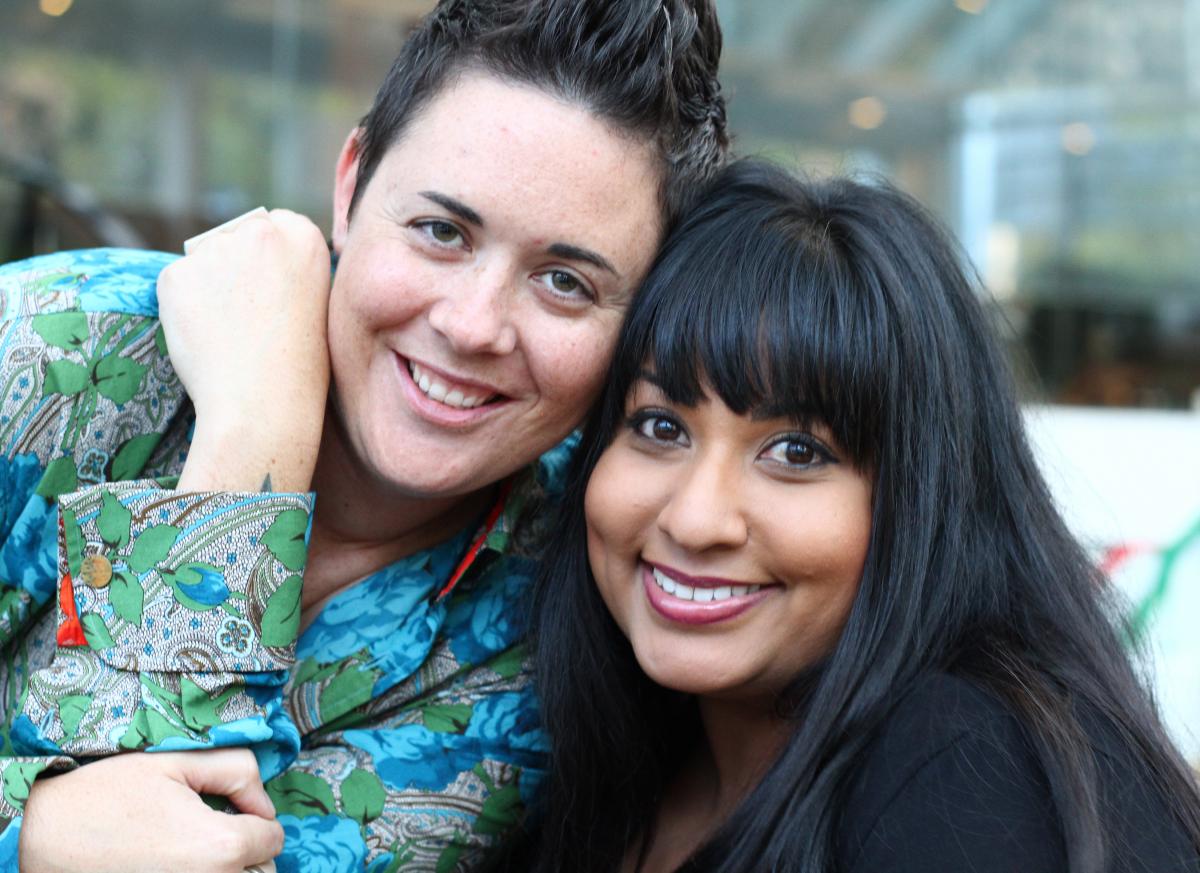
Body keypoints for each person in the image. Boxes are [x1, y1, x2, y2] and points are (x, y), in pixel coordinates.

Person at [0, 1, 729, 870]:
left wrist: (246, 449)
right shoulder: (56, 352)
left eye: (566, 282)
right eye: (441, 231)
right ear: (350, 185)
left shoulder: (556, 631)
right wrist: (26, 827)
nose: (471, 325)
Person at [514, 160, 1200, 873]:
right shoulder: (585, 765)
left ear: (922, 498)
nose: (694, 519)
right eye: (660, 427)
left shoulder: (969, 773)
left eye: (796, 450)